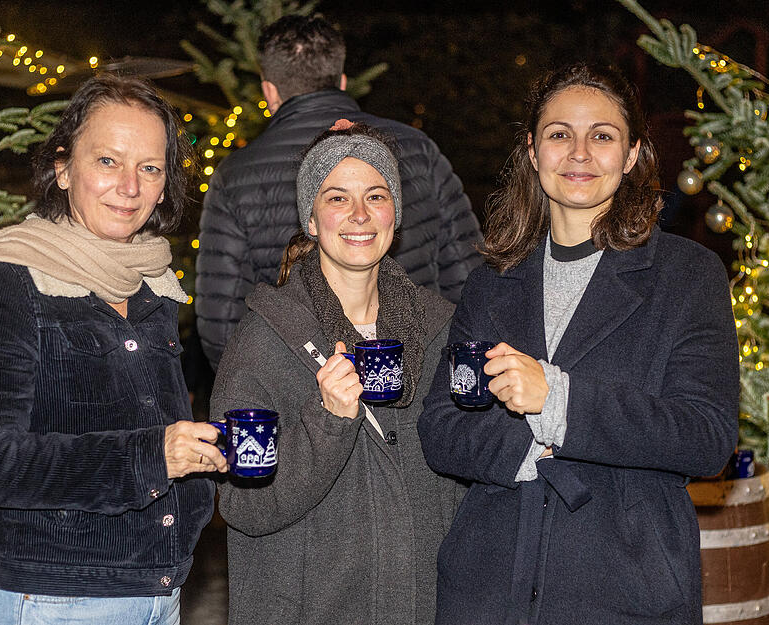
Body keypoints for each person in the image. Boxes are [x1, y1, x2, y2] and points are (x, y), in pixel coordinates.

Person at [417, 63, 739, 625]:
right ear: (533, 151)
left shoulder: (686, 276)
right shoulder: (492, 281)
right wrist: (528, 451)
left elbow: (705, 437)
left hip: (624, 590)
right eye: (560, 134)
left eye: (602, 136)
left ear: (632, 154)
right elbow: (442, 428)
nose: (580, 153)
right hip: (487, 590)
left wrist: (560, 402)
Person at [0, 74, 227, 625]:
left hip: (160, 594)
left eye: (150, 168)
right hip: (58, 603)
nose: (130, 186)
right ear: (63, 168)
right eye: (108, 161)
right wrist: (151, 456)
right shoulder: (9, 282)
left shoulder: (151, 283)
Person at [211, 120, 465, 625]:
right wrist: (327, 421)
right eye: (337, 198)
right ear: (310, 219)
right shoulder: (267, 340)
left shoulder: (440, 331)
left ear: (396, 214)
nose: (359, 214)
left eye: (376, 196)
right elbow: (245, 507)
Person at [195, 14, 482, 370]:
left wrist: (269, 388)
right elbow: (467, 273)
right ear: (343, 81)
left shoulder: (235, 173)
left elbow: (222, 321)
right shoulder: (419, 148)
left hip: (305, 377)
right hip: (418, 366)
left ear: (269, 92)